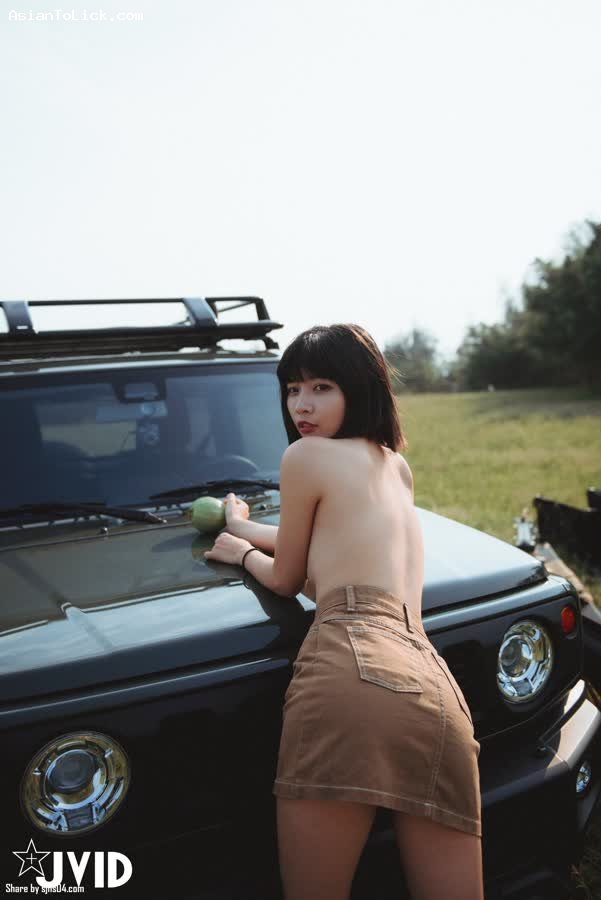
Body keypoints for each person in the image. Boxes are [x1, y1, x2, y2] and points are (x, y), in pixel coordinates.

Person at [204, 323, 483, 900]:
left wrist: (241, 552)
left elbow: (288, 578)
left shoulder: (305, 455)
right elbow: (331, 545)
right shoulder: (395, 467)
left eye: (321, 387)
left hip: (349, 665)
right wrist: (245, 525)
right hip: (433, 683)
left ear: (360, 387)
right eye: (292, 389)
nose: (301, 406)